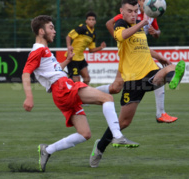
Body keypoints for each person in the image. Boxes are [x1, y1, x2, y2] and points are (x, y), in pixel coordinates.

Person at [22, 15, 136, 172]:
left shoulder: (44, 50)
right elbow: (25, 73)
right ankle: (117, 135)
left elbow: (53, 71)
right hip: (63, 88)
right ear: (41, 31)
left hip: (60, 92)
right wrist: (29, 96)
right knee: (107, 98)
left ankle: (47, 150)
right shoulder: (38, 50)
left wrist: (67, 61)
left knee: (85, 133)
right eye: (51, 28)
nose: (54, 31)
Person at [90, 0, 185, 168]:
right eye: (129, 11)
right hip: (133, 80)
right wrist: (142, 23)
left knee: (173, 66)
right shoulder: (122, 25)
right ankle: (100, 147)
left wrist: (161, 57)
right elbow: (122, 36)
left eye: (136, 11)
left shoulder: (139, 27)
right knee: (124, 123)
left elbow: (144, 48)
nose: (133, 14)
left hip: (149, 72)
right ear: (122, 12)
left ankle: (171, 81)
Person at [96, 0, 177, 123]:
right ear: (139, 2)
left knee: (158, 73)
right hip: (129, 56)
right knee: (116, 87)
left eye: (149, 0)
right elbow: (109, 24)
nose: (147, 3)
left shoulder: (152, 14)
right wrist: (120, 42)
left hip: (141, 53)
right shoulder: (131, 13)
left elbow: (156, 34)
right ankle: (89, 93)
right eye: (144, 0)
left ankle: (161, 113)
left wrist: (155, 32)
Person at [66, 11, 106, 84]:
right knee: (76, 81)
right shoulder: (82, 28)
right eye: (89, 19)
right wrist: (69, 47)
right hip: (73, 57)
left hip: (81, 58)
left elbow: (91, 50)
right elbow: (68, 36)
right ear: (86, 21)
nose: (91, 21)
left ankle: (82, 94)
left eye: (93, 19)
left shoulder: (93, 34)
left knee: (87, 79)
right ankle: (73, 93)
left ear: (95, 21)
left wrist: (100, 47)